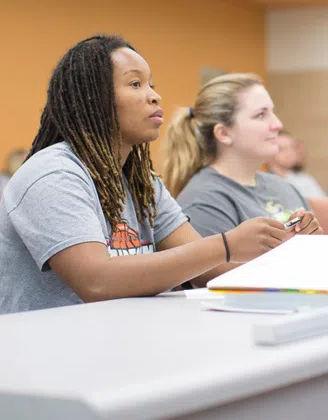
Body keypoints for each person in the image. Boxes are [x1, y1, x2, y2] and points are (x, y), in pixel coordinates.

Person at [0, 36, 299, 315]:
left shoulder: (142, 183)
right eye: (135, 84)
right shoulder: (52, 174)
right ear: (94, 98)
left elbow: (207, 272)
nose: (155, 96)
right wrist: (225, 245)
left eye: (151, 85)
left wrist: (285, 246)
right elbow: (96, 282)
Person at [165, 73, 322, 243]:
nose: (277, 124)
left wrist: (313, 243)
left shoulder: (284, 187)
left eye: (272, 112)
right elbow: (223, 269)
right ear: (224, 133)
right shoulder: (203, 202)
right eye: (261, 115)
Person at [269, 132, 327, 198]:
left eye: (292, 147)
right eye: (281, 149)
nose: (289, 153)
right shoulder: (264, 183)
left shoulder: (305, 180)